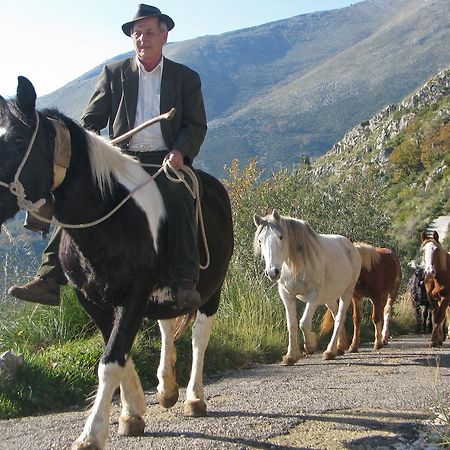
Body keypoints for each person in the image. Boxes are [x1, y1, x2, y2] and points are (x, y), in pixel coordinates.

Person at [9, 4, 207, 312]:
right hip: (121, 159)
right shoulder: (113, 74)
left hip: (165, 162)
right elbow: (90, 121)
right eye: (137, 34)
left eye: (149, 32)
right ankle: (49, 277)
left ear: (164, 35)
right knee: (73, 199)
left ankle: (184, 281)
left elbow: (195, 125)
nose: (143, 39)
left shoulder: (185, 78)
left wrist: (179, 151)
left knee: (178, 195)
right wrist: (97, 149)